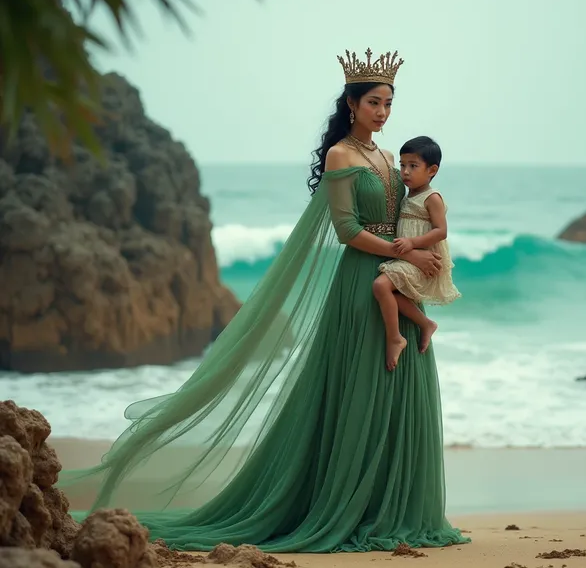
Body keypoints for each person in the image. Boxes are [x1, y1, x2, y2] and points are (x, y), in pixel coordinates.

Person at [59, 48, 470, 554]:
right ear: (351, 103)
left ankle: (394, 507)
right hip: (363, 280)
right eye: (374, 104)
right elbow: (346, 231)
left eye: (388, 104)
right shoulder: (342, 155)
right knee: (361, 388)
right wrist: (399, 250)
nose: (383, 113)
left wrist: (425, 255)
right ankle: (343, 507)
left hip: (400, 278)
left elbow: (415, 216)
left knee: (400, 388)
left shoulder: (390, 158)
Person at [372, 136, 461, 371]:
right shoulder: (407, 193)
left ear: (432, 170)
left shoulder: (432, 198)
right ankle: (426, 323)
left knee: (381, 286)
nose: (405, 172)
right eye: (402, 165)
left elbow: (441, 231)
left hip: (423, 260)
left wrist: (413, 243)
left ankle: (395, 338)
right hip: (407, 258)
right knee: (392, 292)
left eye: (413, 166)